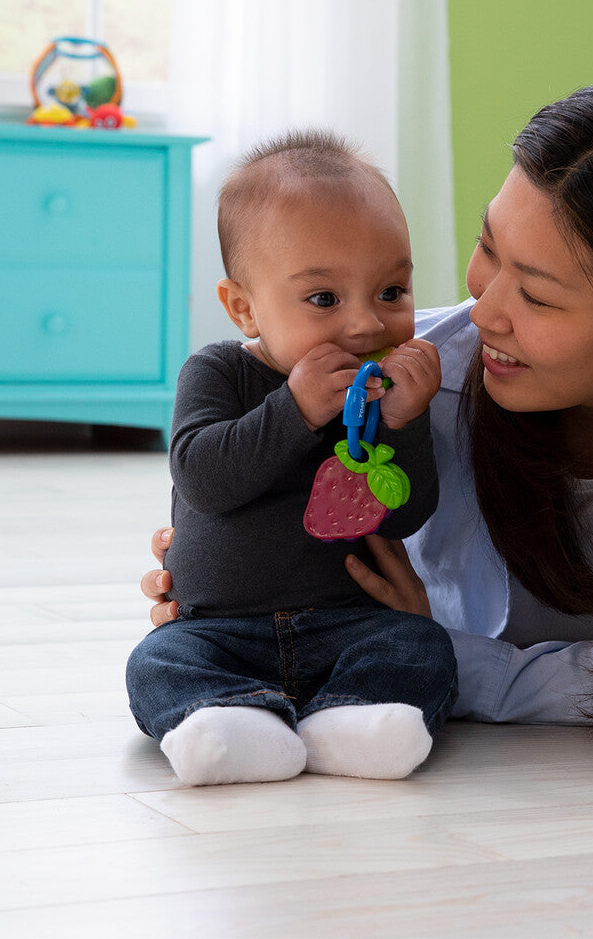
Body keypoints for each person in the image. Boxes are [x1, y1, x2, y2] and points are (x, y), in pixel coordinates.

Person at [143, 80, 593, 749]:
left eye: (538, 297)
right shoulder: (421, 376)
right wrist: (226, 588)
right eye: (488, 248)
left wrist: (452, 663)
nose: (480, 314)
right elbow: (250, 436)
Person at [125, 130, 457, 786]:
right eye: (325, 299)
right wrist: (295, 410)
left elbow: (405, 515)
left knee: (423, 646)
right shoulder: (218, 371)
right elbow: (204, 477)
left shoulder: (388, 392)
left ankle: (354, 721)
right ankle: (227, 722)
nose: (365, 324)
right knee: (156, 663)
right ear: (244, 307)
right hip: (218, 632)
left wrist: (407, 423)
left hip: (350, 627)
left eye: (391, 292)